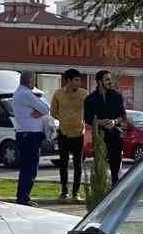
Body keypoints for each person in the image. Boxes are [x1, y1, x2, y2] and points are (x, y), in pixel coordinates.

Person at [10, 71, 50, 205]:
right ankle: (23, 198)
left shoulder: (19, 93)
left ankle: (23, 196)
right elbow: (45, 108)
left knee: (27, 168)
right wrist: (40, 112)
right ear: (29, 80)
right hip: (30, 135)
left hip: (25, 134)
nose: (35, 83)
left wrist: (39, 112)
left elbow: (43, 109)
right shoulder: (26, 94)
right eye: (34, 80)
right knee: (30, 168)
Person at [49, 68, 88, 201]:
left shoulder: (84, 94)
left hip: (78, 134)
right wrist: (63, 118)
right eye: (76, 80)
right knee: (63, 163)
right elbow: (53, 111)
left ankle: (76, 193)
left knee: (78, 164)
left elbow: (90, 110)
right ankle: (64, 191)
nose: (79, 82)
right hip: (63, 133)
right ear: (68, 80)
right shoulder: (58, 94)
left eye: (80, 80)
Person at [84, 70, 128, 182]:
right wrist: (99, 122)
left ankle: (115, 189)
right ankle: (101, 192)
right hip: (99, 137)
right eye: (107, 79)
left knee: (116, 168)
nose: (110, 82)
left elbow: (123, 116)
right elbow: (87, 118)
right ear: (99, 82)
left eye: (110, 79)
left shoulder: (117, 96)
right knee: (100, 167)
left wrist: (114, 121)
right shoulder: (90, 99)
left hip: (115, 135)